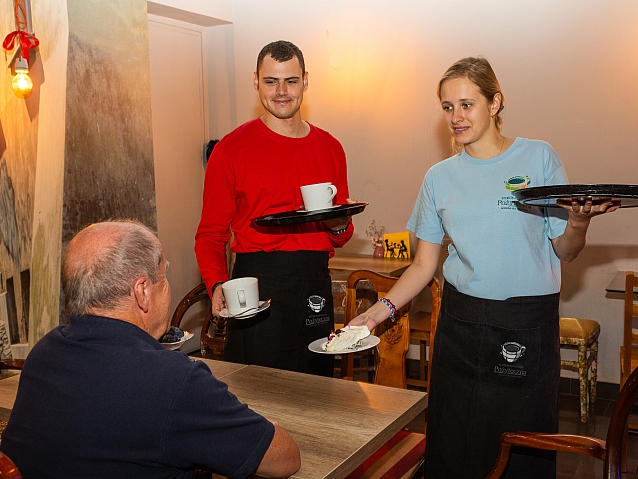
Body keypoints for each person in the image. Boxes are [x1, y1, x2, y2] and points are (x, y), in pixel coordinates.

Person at [348, 57, 618, 479]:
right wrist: (375, 314)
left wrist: (579, 220)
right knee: (456, 439)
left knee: (523, 444)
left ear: (495, 103)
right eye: (447, 107)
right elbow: (423, 265)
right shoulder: (438, 178)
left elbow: (565, 252)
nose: (455, 117)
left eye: (466, 105)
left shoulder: (538, 156)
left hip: (526, 323)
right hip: (461, 324)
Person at [0, 220, 301, 479]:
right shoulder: (172, 381)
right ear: (142, 292)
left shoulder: (44, 352)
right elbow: (284, 459)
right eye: (164, 276)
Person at [195, 40, 353, 377]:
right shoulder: (230, 150)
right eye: (271, 81)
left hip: (314, 282)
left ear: (305, 81)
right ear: (256, 82)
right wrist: (216, 284)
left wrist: (340, 224)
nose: (281, 92)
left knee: (317, 391)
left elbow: (339, 236)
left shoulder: (331, 148)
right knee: (257, 395)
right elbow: (210, 235)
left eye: (291, 81)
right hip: (258, 283)